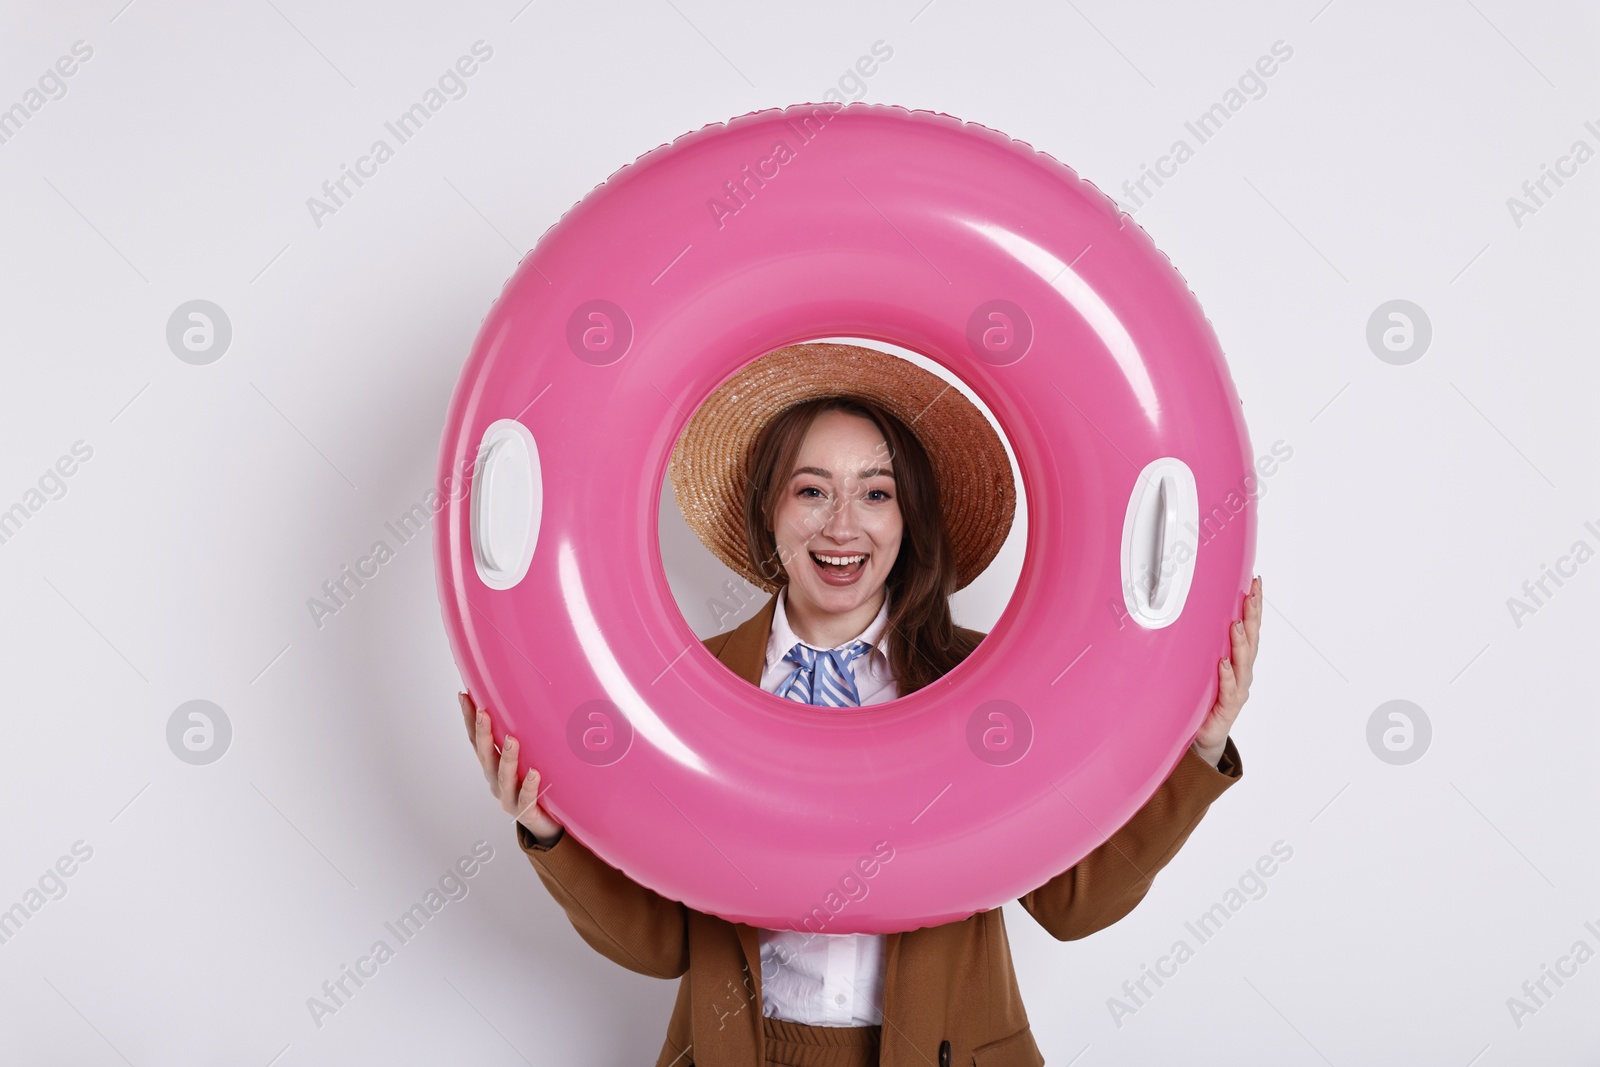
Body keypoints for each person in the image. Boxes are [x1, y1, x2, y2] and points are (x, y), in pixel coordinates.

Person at [461, 343, 1261, 1066]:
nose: (843, 526)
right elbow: (665, 940)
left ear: (907, 518)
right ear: (769, 510)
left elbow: (1072, 903)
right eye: (812, 489)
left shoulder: (989, 685)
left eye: (875, 493)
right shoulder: (682, 691)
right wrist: (548, 828)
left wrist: (1196, 748)